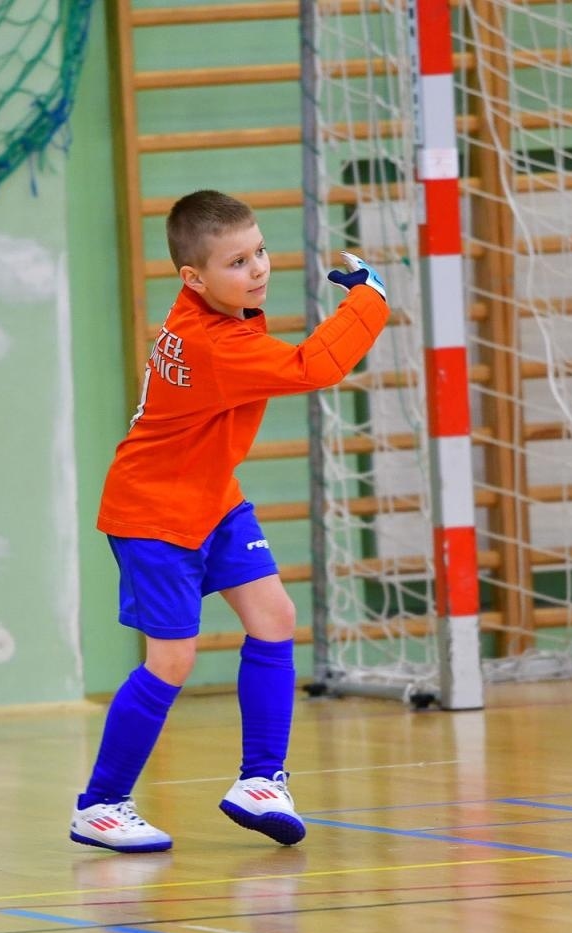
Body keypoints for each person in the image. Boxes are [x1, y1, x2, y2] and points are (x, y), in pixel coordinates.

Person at [71, 190, 389, 853]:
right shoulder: (213, 344)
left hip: (213, 499)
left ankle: (261, 781)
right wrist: (370, 302)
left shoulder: (213, 319)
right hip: (154, 515)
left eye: (260, 253)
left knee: (273, 618)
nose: (259, 271)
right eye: (238, 262)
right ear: (194, 278)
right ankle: (100, 804)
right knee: (173, 661)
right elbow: (315, 366)